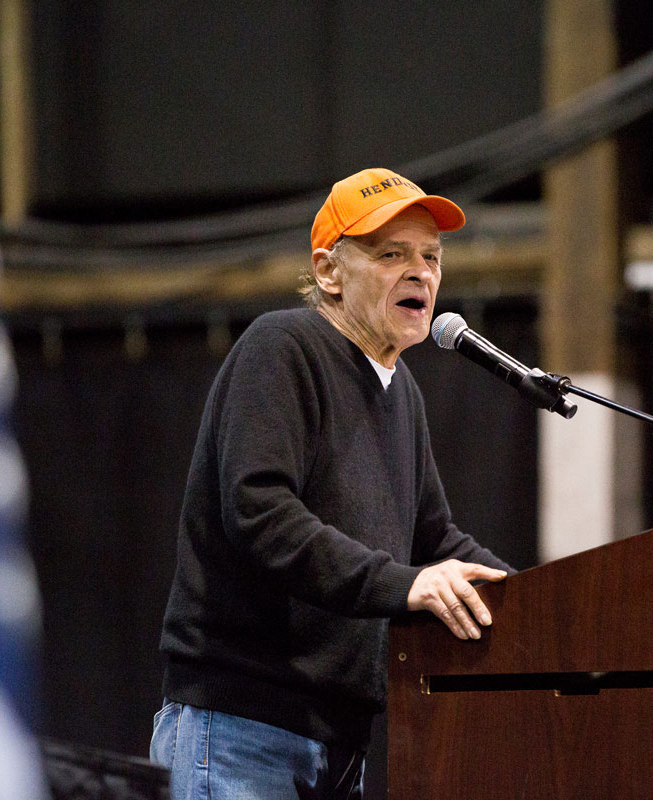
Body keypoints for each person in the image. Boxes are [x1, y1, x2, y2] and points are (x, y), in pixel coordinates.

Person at [151, 168, 513, 799]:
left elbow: (435, 542)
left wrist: (540, 606)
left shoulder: (404, 395)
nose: (421, 273)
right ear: (329, 272)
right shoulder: (282, 348)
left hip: (342, 745)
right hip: (241, 729)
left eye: (431, 256)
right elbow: (260, 514)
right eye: (391, 254)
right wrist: (404, 587)